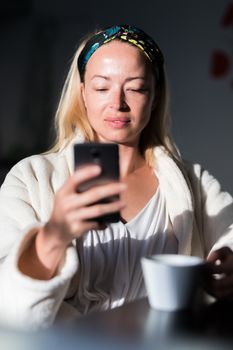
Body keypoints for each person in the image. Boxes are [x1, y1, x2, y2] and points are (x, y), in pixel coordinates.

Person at [0, 24, 233, 330]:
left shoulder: (192, 181)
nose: (118, 103)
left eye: (135, 87)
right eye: (101, 87)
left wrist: (227, 265)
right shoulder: (31, 178)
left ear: (155, 95)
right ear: (82, 93)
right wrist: (53, 235)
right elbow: (8, 310)